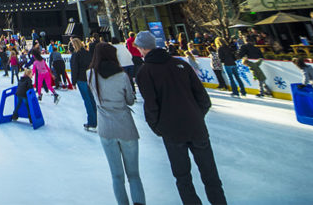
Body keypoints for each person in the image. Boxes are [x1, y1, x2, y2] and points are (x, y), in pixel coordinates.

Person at [135, 31, 226, 205]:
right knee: (211, 175)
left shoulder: (145, 72)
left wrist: (159, 128)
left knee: (183, 178)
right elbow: (203, 99)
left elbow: (151, 106)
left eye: (138, 47)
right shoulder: (180, 63)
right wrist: (196, 116)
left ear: (143, 47)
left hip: (173, 132)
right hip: (196, 127)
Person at [87, 43, 146, 205]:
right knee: (133, 175)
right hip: (125, 126)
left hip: (106, 128)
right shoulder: (122, 76)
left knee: (116, 176)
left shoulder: (90, 74)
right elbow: (130, 100)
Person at [69, 38, 97, 131]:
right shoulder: (87, 53)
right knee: (91, 99)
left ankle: (92, 122)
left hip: (81, 79)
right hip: (89, 78)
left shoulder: (75, 55)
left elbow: (74, 69)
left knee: (87, 100)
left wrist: (73, 82)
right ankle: (96, 119)